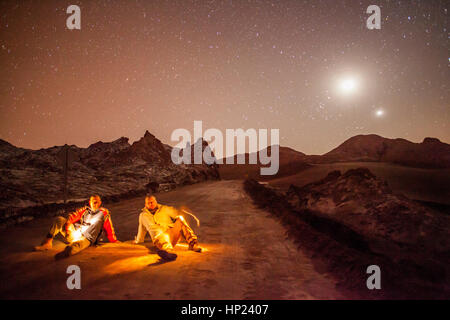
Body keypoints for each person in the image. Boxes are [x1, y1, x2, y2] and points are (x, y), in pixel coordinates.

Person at [34, 195, 118, 258]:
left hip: (87, 238)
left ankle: (67, 252)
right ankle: (47, 243)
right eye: (93, 201)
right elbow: (72, 216)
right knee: (59, 220)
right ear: (90, 202)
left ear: (100, 203)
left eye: (97, 201)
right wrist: (68, 226)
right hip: (75, 233)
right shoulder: (85, 210)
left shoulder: (104, 213)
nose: (95, 203)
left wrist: (114, 241)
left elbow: (109, 228)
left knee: (78, 245)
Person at [135, 194, 202, 261]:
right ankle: (168, 252)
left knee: (180, 219)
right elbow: (141, 229)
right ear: (145, 204)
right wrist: (138, 241)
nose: (151, 204)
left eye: (152, 202)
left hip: (172, 235)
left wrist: (182, 211)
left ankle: (193, 244)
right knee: (162, 235)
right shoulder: (143, 216)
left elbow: (177, 213)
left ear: (156, 201)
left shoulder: (164, 208)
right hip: (159, 240)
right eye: (149, 203)